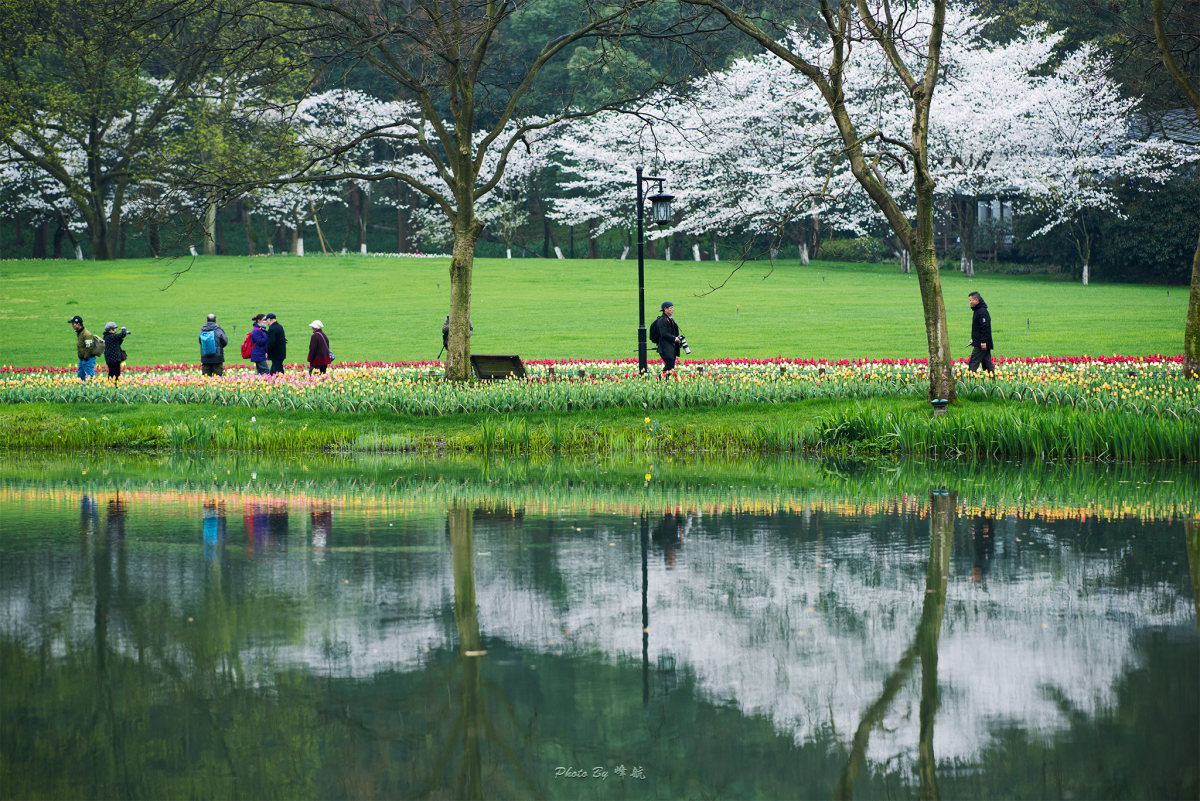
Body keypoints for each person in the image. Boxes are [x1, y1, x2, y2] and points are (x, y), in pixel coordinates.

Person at [648, 300, 684, 374]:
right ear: (665, 309)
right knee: (670, 366)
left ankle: (664, 381)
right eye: (670, 308)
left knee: (670, 366)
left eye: (672, 308)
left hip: (671, 347)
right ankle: (660, 380)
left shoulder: (670, 319)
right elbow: (664, 334)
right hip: (665, 348)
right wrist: (674, 338)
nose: (672, 309)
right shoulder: (662, 320)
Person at [967, 291, 994, 373]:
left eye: (971, 300)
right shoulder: (977, 311)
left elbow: (985, 327)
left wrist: (983, 341)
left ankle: (969, 380)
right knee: (987, 364)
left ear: (976, 300)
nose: (970, 302)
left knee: (973, 363)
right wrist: (973, 339)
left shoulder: (982, 312)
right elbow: (977, 328)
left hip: (982, 343)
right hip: (979, 341)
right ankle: (992, 381)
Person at [69, 315, 101, 381]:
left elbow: (89, 347)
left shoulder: (86, 334)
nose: (72, 325)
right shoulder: (80, 333)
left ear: (78, 324)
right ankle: (82, 390)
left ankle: (94, 390)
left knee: (91, 378)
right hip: (83, 359)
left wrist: (85, 358)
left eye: (73, 324)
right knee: (80, 378)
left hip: (88, 359)